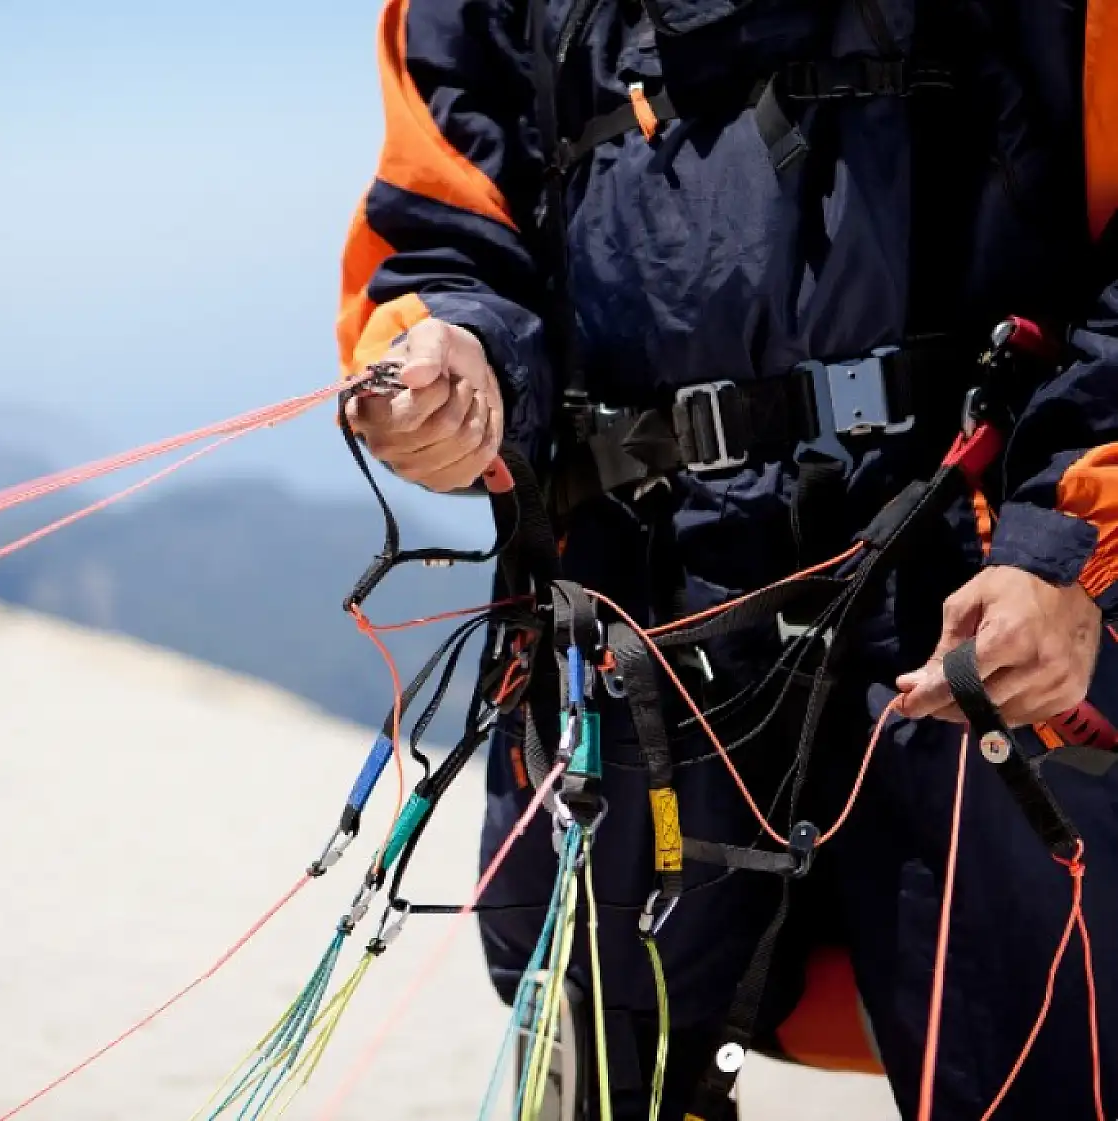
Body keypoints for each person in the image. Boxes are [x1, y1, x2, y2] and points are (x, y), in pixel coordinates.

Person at [337, 1, 1118, 1118]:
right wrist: (453, 358)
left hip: (972, 597)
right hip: (628, 609)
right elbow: (444, 232)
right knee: (606, 1057)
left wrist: (1063, 547)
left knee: (1032, 1051)